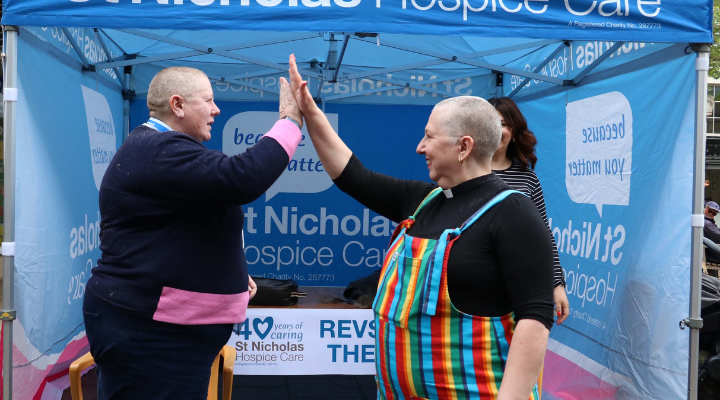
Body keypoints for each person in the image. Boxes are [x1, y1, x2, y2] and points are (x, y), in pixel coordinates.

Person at [288, 55, 553, 400]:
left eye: (429, 137)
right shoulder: (425, 199)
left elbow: (535, 319)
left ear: (464, 146)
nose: (420, 147)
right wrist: (309, 113)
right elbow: (353, 176)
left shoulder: (513, 212)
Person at [83, 66, 303, 400]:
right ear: (178, 105)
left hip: (161, 332)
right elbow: (241, 178)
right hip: (149, 334)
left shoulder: (159, 149)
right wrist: (290, 122)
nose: (216, 110)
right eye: (209, 100)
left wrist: (231, 273)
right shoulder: (157, 149)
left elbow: (184, 227)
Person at [488, 97, 570, 325]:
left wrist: (557, 284)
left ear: (513, 133)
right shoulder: (463, 174)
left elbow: (543, 236)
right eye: (490, 122)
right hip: (474, 286)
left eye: (503, 124)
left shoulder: (527, 178)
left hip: (520, 288)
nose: (496, 130)